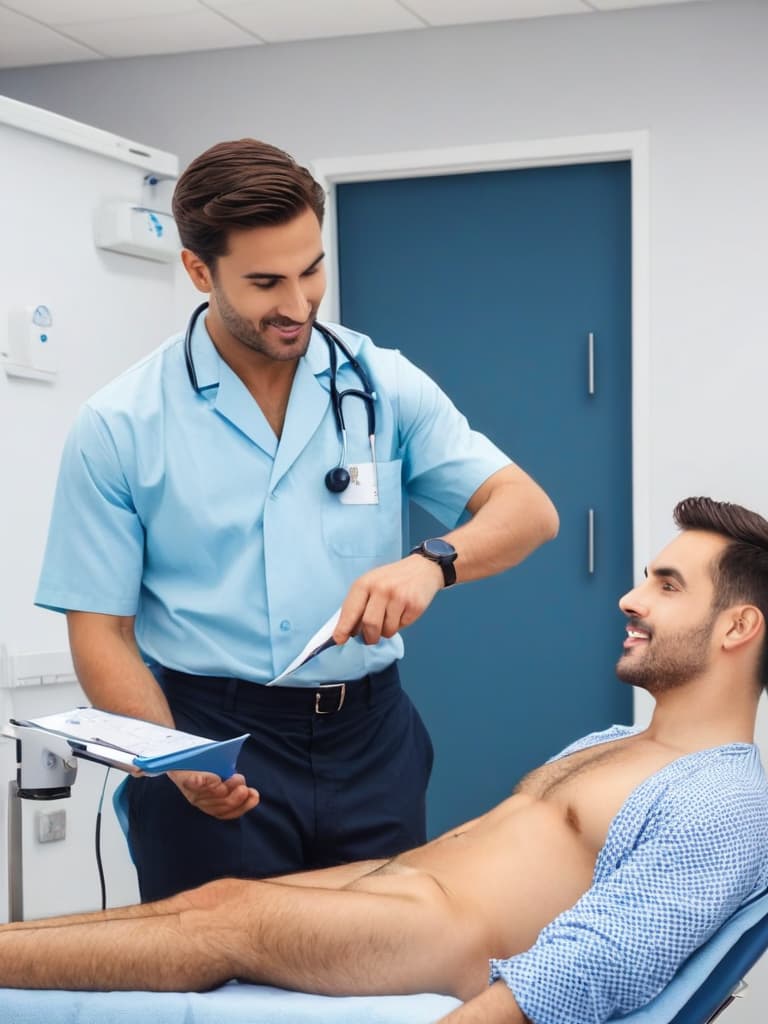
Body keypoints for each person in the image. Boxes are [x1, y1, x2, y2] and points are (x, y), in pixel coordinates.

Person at [34, 138, 559, 902]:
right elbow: (100, 632)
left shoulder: (380, 382)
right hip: (210, 735)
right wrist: (180, 762)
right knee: (209, 988)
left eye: (311, 268)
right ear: (198, 271)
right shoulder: (121, 424)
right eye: (265, 281)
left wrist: (433, 561)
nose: (299, 302)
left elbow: (527, 510)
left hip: (372, 740)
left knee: (377, 984)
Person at [10, 496, 768, 1024]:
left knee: (223, 926)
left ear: (738, 626)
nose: (630, 600)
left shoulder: (725, 798)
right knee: (216, 903)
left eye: (666, 587)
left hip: (434, 945)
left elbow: (596, 962)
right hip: (397, 893)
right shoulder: (612, 743)